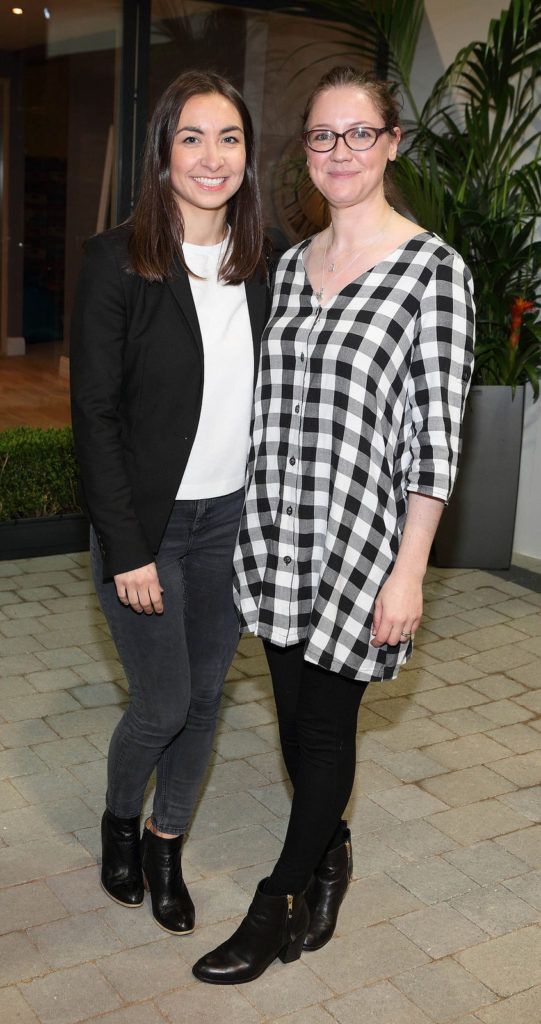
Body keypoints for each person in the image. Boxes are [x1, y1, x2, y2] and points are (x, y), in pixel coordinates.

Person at [192, 65, 475, 984]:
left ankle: (276, 899)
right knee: (291, 724)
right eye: (322, 135)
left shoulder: (433, 273)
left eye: (358, 134)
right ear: (304, 152)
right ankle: (330, 850)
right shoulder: (281, 266)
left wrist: (409, 570)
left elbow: (433, 438)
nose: (339, 151)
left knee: (324, 729)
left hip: (360, 546)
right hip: (273, 535)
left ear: (392, 142)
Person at [70, 70, 267, 935]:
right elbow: (95, 415)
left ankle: (164, 843)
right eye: (192, 136)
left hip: (229, 522)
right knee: (162, 705)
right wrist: (127, 548)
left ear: (248, 155)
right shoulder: (117, 260)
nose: (211, 156)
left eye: (228, 137)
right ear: (162, 151)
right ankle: (120, 819)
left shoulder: (265, 263)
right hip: (150, 529)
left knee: (206, 699)